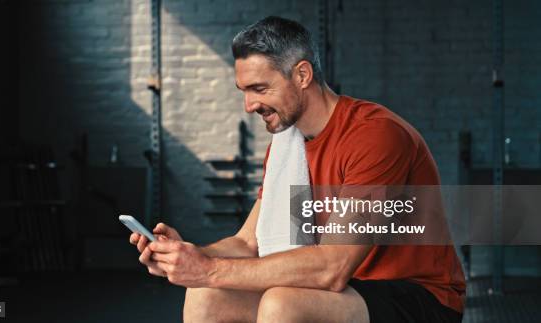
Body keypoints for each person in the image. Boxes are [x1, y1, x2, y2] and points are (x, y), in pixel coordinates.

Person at [130, 16, 465, 323]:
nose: (249, 106)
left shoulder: (376, 135)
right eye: (244, 91)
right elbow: (248, 243)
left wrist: (209, 270)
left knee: (283, 304)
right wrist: (187, 257)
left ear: (302, 75)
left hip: (418, 298)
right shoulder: (287, 146)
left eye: (260, 89)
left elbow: (334, 266)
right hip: (349, 290)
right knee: (205, 296)